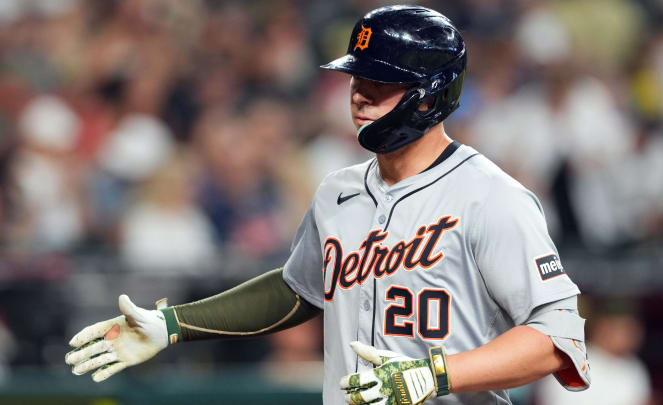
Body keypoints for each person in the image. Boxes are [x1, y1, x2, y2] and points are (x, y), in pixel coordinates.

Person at [65, 6, 590, 405]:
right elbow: (299, 289)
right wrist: (173, 324)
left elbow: (556, 337)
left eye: (379, 82)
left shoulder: (491, 197)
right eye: (355, 78)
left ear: (430, 95)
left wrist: (436, 373)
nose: (358, 94)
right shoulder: (336, 191)